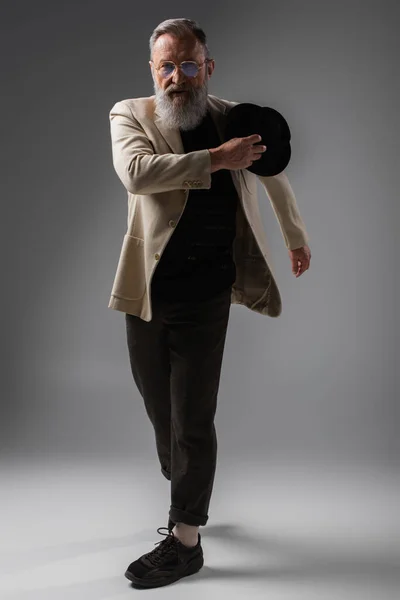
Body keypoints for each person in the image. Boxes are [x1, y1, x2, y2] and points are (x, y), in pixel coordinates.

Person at [108, 17, 311, 589]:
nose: (178, 77)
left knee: (193, 415)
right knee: (160, 410)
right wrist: (216, 160)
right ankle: (187, 491)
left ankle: (186, 536)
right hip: (147, 288)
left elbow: (273, 172)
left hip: (208, 291)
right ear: (153, 70)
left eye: (188, 64)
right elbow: (137, 174)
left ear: (207, 66)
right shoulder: (131, 114)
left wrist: (294, 235)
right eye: (167, 66)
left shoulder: (233, 119)